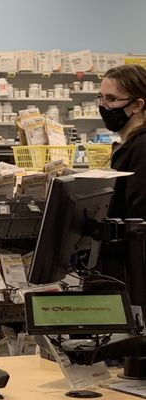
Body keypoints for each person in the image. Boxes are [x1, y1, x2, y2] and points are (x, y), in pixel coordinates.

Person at [96, 64, 146, 312]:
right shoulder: (127, 144)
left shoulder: (142, 147)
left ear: (137, 106)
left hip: (134, 268)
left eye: (113, 99)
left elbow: (139, 214)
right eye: (101, 97)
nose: (105, 106)